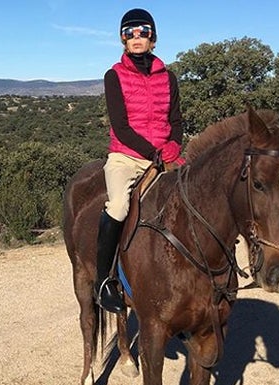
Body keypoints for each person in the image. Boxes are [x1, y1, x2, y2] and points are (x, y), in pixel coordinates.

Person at [94, 8, 185, 313]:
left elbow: (176, 119)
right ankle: (103, 281)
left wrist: (174, 145)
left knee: (195, 200)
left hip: (165, 156)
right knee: (118, 206)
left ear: (153, 38)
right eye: (130, 32)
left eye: (142, 31)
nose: (136, 36)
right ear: (123, 39)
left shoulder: (168, 77)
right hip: (127, 156)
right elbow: (120, 125)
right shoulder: (114, 76)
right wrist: (152, 154)